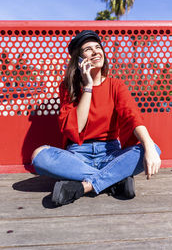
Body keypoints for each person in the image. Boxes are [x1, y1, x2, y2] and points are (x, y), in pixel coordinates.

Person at [32, 30, 161, 206]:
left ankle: (83, 186)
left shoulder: (116, 85)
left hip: (110, 153)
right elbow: (76, 128)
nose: (95, 52)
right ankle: (114, 180)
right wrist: (88, 87)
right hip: (78, 154)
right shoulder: (68, 87)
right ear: (78, 59)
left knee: (152, 148)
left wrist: (149, 147)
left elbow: (133, 117)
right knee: (39, 156)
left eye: (98, 47)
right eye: (88, 49)